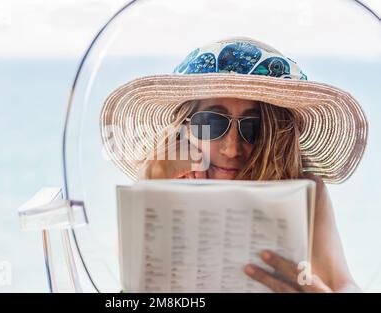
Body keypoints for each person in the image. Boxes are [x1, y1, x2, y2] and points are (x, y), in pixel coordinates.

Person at [99, 37, 368, 292]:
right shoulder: (162, 188)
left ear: (277, 136)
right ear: (185, 130)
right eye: (212, 124)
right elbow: (132, 289)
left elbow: (345, 284)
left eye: (254, 128)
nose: (231, 149)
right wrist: (148, 185)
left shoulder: (304, 191)